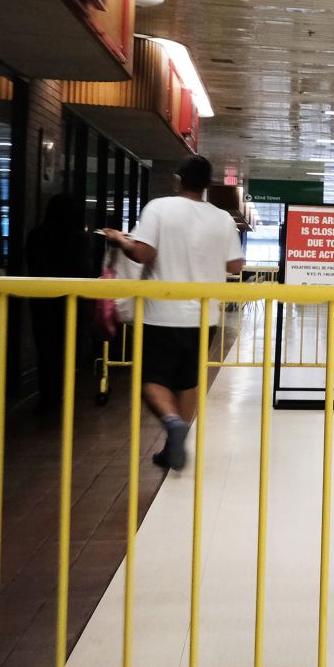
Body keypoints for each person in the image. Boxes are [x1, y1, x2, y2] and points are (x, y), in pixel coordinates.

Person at [102, 155, 244, 471]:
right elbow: (235, 265)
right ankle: (174, 443)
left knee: (151, 378)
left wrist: (119, 240)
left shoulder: (159, 208)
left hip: (161, 313)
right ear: (208, 184)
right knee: (188, 380)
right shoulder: (222, 218)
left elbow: (142, 253)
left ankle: (171, 422)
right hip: (204, 316)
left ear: (178, 179)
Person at [26, 193, 93, 412]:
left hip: (43, 303)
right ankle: (65, 393)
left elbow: (33, 267)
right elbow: (85, 271)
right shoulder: (79, 239)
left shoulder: (36, 236)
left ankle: (47, 396)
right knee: (69, 348)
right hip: (72, 303)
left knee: (46, 349)